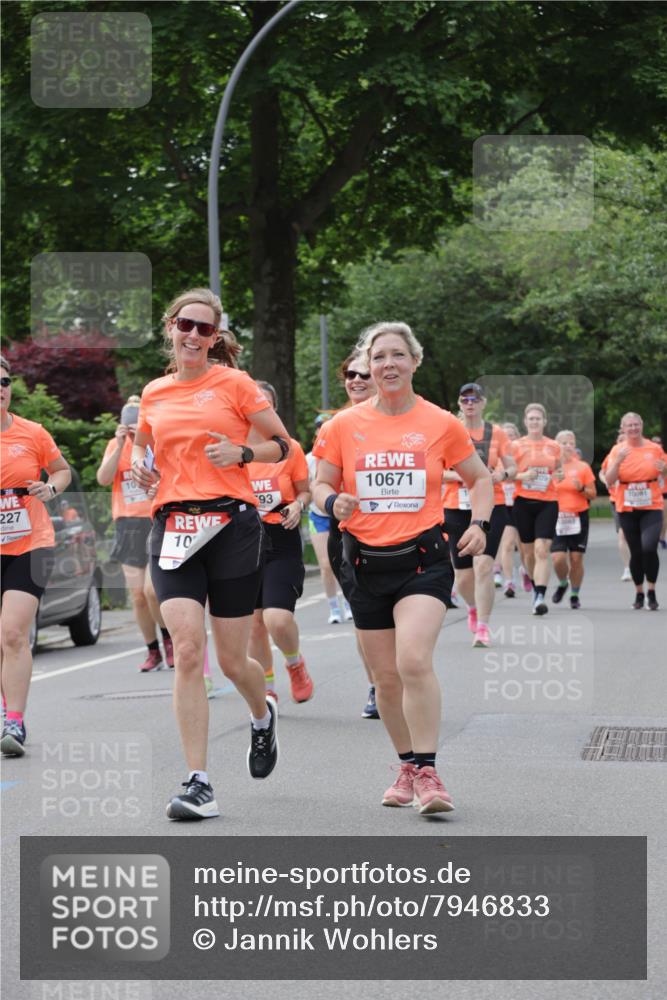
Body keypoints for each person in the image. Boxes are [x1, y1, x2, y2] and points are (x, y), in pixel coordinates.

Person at [314, 322, 493, 815]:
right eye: (378, 357)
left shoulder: (440, 423)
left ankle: (430, 772)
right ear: (368, 367)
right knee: (386, 678)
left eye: (397, 355)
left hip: (422, 561)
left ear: (415, 362)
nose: (387, 364)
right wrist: (334, 501)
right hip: (365, 563)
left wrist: (480, 523)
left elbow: (480, 478)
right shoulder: (342, 426)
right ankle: (407, 766)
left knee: (413, 660)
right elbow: (319, 483)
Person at [130, 288, 291, 820]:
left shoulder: (235, 384)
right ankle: (199, 782)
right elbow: (144, 446)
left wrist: (244, 452)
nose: (194, 335)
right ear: (170, 327)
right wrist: (141, 466)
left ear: (215, 337)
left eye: (205, 329)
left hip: (232, 524)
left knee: (230, 658)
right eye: (186, 325)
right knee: (190, 651)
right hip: (174, 523)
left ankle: (261, 712)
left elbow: (284, 446)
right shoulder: (153, 392)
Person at [1, 355, 72, 755]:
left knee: (12, 631)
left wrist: (51, 488)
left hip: (31, 542)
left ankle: (14, 721)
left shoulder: (32, 432)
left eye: (4, 381)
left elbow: (60, 470)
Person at [313, 350, 381, 720]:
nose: (355, 380)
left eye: (362, 374)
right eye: (348, 373)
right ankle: (377, 684)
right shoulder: (334, 425)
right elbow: (318, 482)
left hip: (402, 532)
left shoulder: (400, 419)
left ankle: (399, 674)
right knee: (364, 617)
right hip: (350, 532)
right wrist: (333, 500)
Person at [246, 381, 313, 704]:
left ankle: (294, 662)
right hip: (242, 540)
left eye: (266, 406)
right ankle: (266, 685)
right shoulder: (232, 449)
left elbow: (305, 490)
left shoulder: (290, 448)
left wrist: (298, 505)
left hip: (280, 534)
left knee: (277, 618)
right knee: (254, 623)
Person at [96, 396, 174, 672]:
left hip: (155, 519)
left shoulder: (156, 442)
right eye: (127, 428)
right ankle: (152, 649)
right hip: (127, 523)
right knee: (137, 595)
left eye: (135, 428)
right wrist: (119, 446)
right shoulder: (115, 446)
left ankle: (168, 640)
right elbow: (103, 479)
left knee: (153, 592)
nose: (132, 433)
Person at [442, 383, 516, 647]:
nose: (470, 403)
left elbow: (513, 468)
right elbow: (436, 471)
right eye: (465, 400)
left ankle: (483, 626)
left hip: (488, 505)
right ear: (460, 404)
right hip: (455, 505)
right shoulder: (449, 431)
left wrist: (500, 475)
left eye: (475, 399)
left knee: (483, 565)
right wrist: (463, 476)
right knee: (462, 576)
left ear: (483, 403)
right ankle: (472, 607)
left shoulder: (496, 433)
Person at [603, 413, 667, 610]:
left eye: (636, 424)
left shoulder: (654, 448)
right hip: (627, 506)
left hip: (651, 505)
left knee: (649, 548)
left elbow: (664, 473)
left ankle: (652, 591)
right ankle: (639, 592)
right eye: (628, 425)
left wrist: (664, 470)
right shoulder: (617, 450)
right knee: (636, 552)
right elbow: (609, 480)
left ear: (642, 425)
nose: (633, 428)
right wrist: (617, 462)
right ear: (623, 428)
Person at [511, 403, 563, 615]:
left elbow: (559, 470)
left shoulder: (553, 446)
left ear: (544, 422)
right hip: (522, 502)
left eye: (538, 419)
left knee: (543, 549)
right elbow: (504, 472)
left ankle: (540, 595)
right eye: (531, 419)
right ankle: (533, 583)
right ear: (525, 422)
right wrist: (523, 476)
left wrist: (560, 475)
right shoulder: (515, 446)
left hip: (548, 501)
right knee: (528, 553)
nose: (534, 422)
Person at [305, 414, 351, 625]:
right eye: (319, 427)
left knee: (344, 562)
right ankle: (333, 607)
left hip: (339, 514)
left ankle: (349, 602)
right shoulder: (309, 459)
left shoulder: (343, 453)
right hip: (318, 515)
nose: (321, 429)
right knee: (325, 565)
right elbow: (306, 486)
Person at [550, 430, 596, 608]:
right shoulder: (551, 467)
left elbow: (592, 494)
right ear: (556, 446)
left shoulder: (582, 467)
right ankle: (563, 583)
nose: (568, 446)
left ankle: (575, 595)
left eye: (571, 443)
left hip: (578, 517)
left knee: (576, 559)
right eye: (564, 443)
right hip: (556, 517)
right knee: (558, 558)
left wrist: (581, 488)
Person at [496, 421, 524, 597]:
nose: (508, 438)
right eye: (504, 435)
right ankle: (509, 581)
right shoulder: (496, 458)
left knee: (524, 547)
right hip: (503, 504)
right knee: (506, 544)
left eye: (511, 435)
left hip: (521, 503)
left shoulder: (522, 455)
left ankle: (525, 570)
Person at [600, 431, 632, 581]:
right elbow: (602, 471)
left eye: (624, 439)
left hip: (635, 500)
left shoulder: (637, 454)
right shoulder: (612, 454)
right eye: (619, 439)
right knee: (622, 534)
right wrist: (606, 480)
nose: (621, 442)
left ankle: (638, 563)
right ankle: (627, 568)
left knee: (635, 535)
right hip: (617, 500)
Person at [651, 435, 667, 549]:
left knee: (664, 516)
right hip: (651, 492)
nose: (657, 444)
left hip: (664, 491)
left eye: (659, 442)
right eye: (654, 442)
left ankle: (661, 537)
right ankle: (652, 536)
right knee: (652, 517)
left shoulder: (665, 457)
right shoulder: (644, 457)